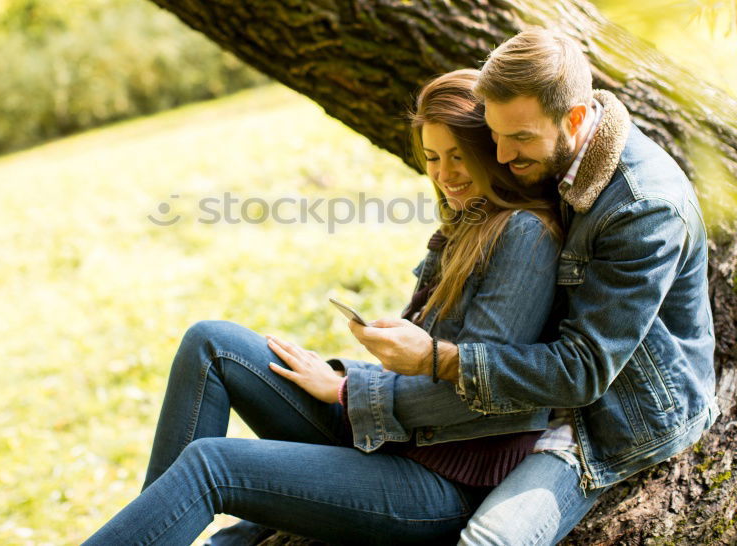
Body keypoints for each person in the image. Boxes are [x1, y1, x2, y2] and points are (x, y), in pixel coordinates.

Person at [81, 70, 564, 545]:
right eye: (433, 157)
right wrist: (354, 372)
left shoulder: (523, 236)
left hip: (444, 483)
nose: (443, 174)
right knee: (211, 345)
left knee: (214, 464)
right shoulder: (467, 226)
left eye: (459, 156)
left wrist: (346, 390)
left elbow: (479, 390)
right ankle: (156, 529)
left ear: (491, 149)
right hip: (400, 439)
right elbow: (423, 367)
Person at [350, 28, 719, 545]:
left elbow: (585, 370)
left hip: (616, 413)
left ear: (574, 118)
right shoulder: (556, 154)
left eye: (519, 139)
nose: (501, 156)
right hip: (535, 391)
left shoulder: (644, 208)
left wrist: (439, 359)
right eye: (495, 135)